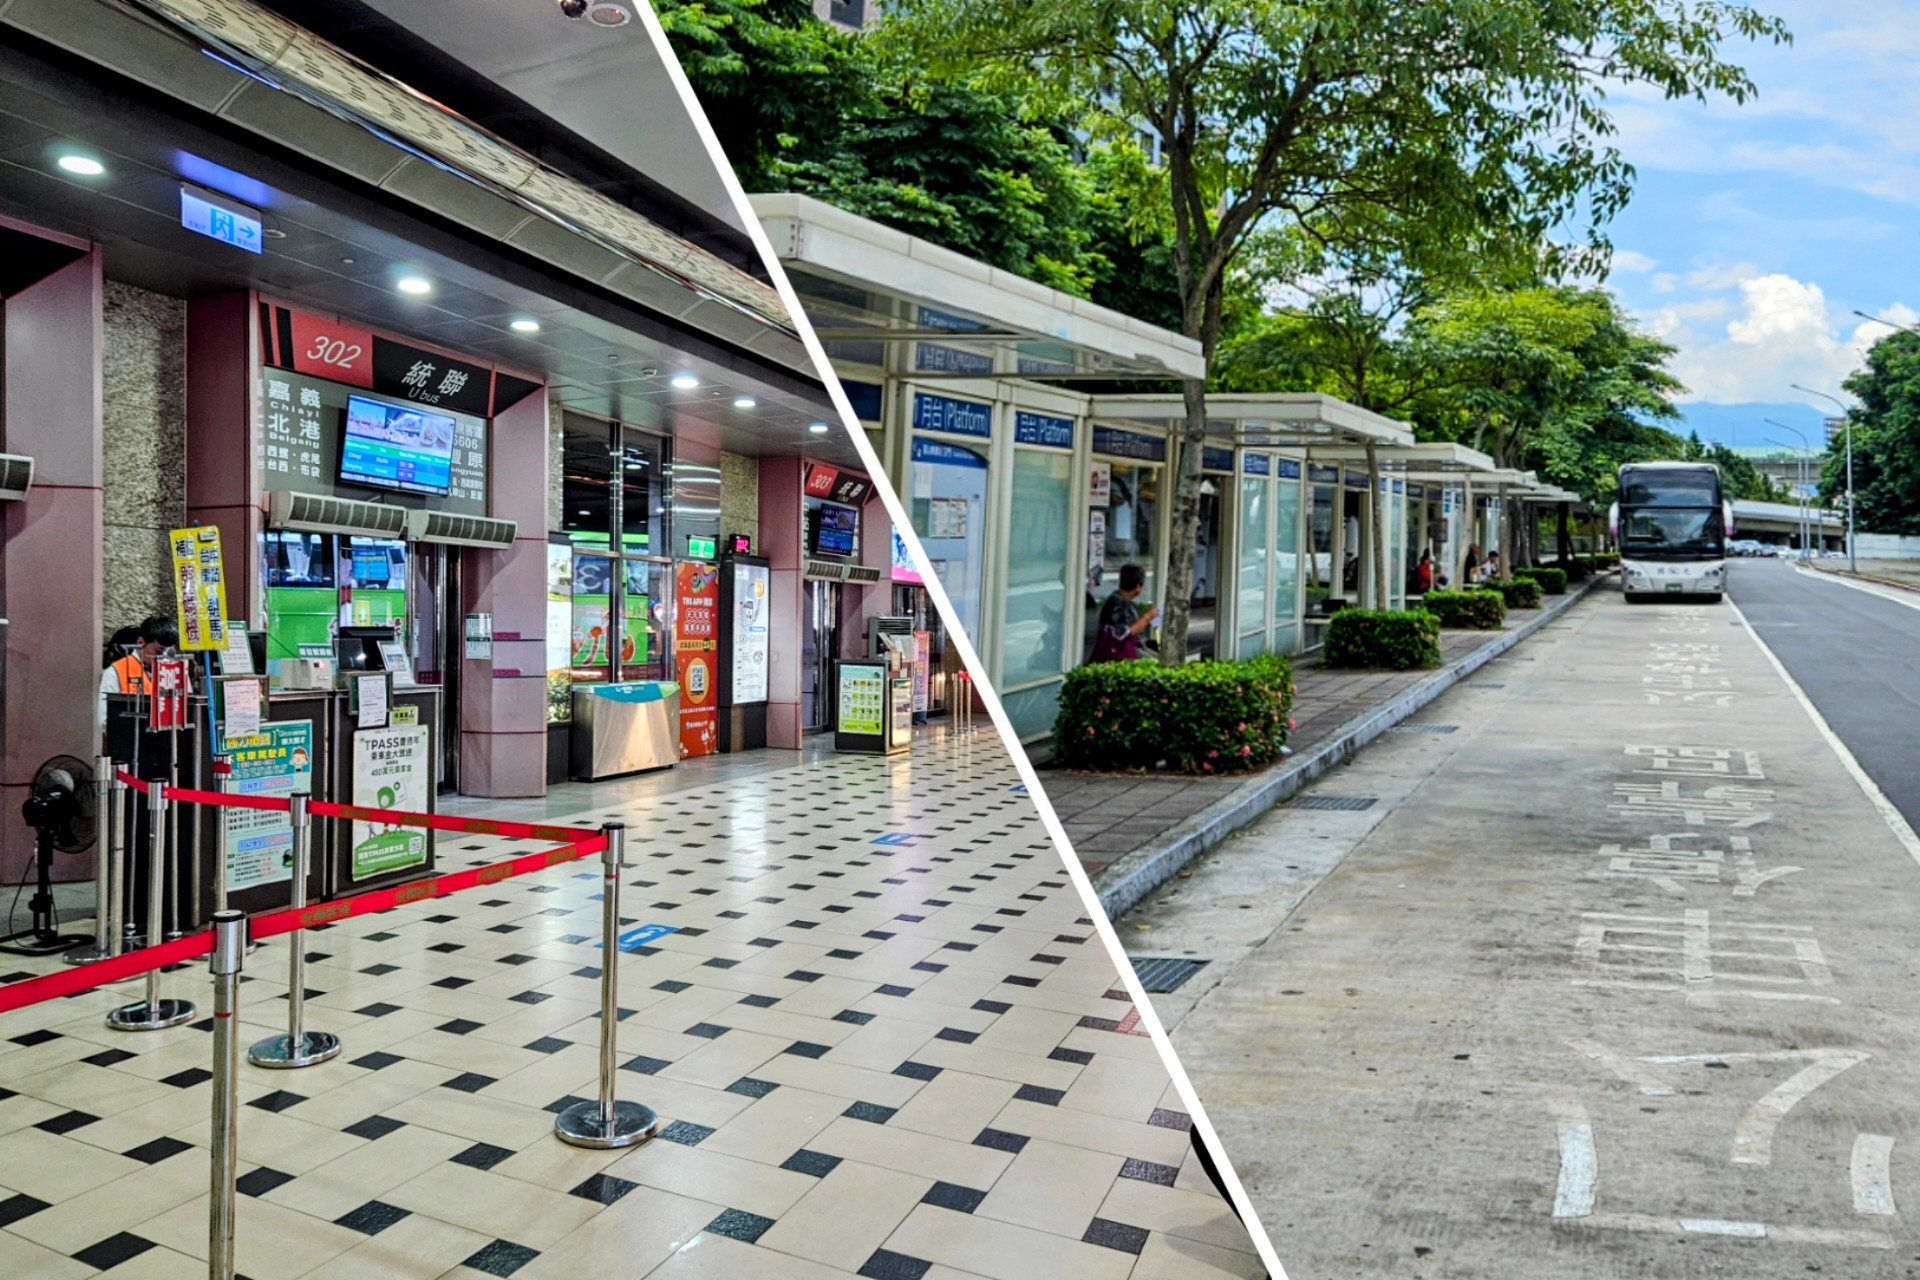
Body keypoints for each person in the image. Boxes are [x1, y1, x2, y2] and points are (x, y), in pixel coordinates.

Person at [99, 615, 177, 732]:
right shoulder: (115, 672)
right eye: (159, 651)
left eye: (168, 652)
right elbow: (105, 719)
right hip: (130, 740)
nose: (164, 657)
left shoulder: (172, 670)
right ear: (141, 642)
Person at [1088, 563, 1156, 663]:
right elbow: (1126, 632)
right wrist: (1147, 617)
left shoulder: (1120, 601)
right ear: (1138, 587)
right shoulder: (1118, 605)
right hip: (1117, 656)